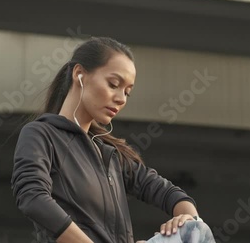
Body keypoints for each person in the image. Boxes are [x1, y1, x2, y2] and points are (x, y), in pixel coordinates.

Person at [11, 37, 214, 243]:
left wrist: (188, 220)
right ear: (79, 74)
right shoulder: (42, 134)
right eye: (113, 84)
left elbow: (168, 192)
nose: (121, 99)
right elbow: (32, 197)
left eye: (127, 92)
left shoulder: (111, 154)